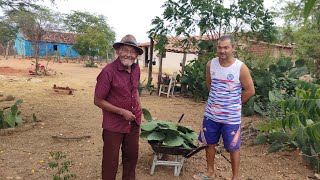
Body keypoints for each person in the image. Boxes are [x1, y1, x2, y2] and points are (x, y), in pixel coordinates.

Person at [193, 35, 255, 180]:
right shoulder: (210, 64)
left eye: (226, 47)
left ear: (233, 48)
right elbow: (210, 85)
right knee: (209, 143)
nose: (222, 51)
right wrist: (217, 102)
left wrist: (234, 104)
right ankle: (210, 172)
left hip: (231, 118)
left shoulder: (240, 67)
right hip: (211, 115)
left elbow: (250, 90)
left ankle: (235, 177)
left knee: (233, 148)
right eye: (220, 47)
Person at [94, 34, 143, 180]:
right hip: (114, 125)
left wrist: (139, 109)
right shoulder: (108, 72)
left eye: (132, 51)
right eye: (125, 50)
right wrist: (121, 111)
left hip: (133, 122)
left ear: (136, 55)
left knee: (131, 158)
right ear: (118, 51)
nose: (129, 54)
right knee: (111, 161)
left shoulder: (136, 69)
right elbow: (97, 100)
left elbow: (134, 90)